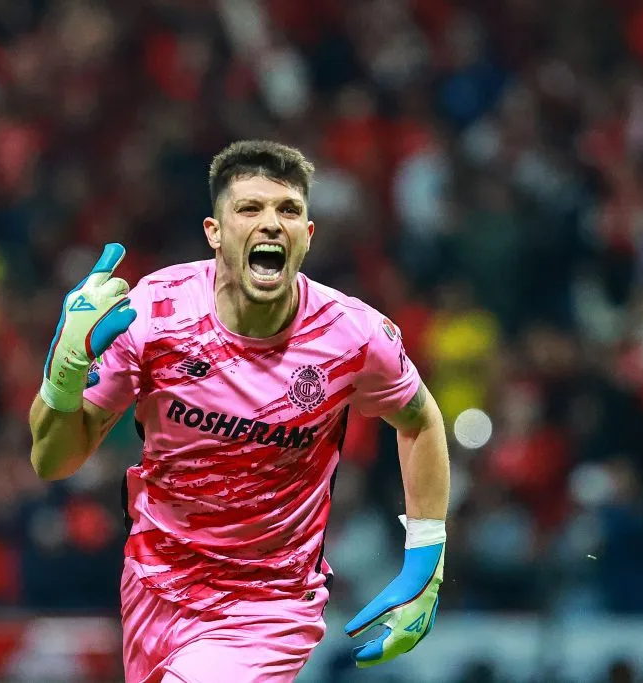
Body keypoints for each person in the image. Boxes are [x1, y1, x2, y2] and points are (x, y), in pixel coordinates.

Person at [29, 140, 450, 682]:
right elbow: (51, 461)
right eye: (250, 209)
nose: (271, 223)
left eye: (288, 211)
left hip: (268, 604)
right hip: (153, 587)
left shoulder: (353, 335)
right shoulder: (153, 315)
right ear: (215, 233)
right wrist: (63, 380)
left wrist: (426, 561)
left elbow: (420, 419)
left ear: (308, 235)